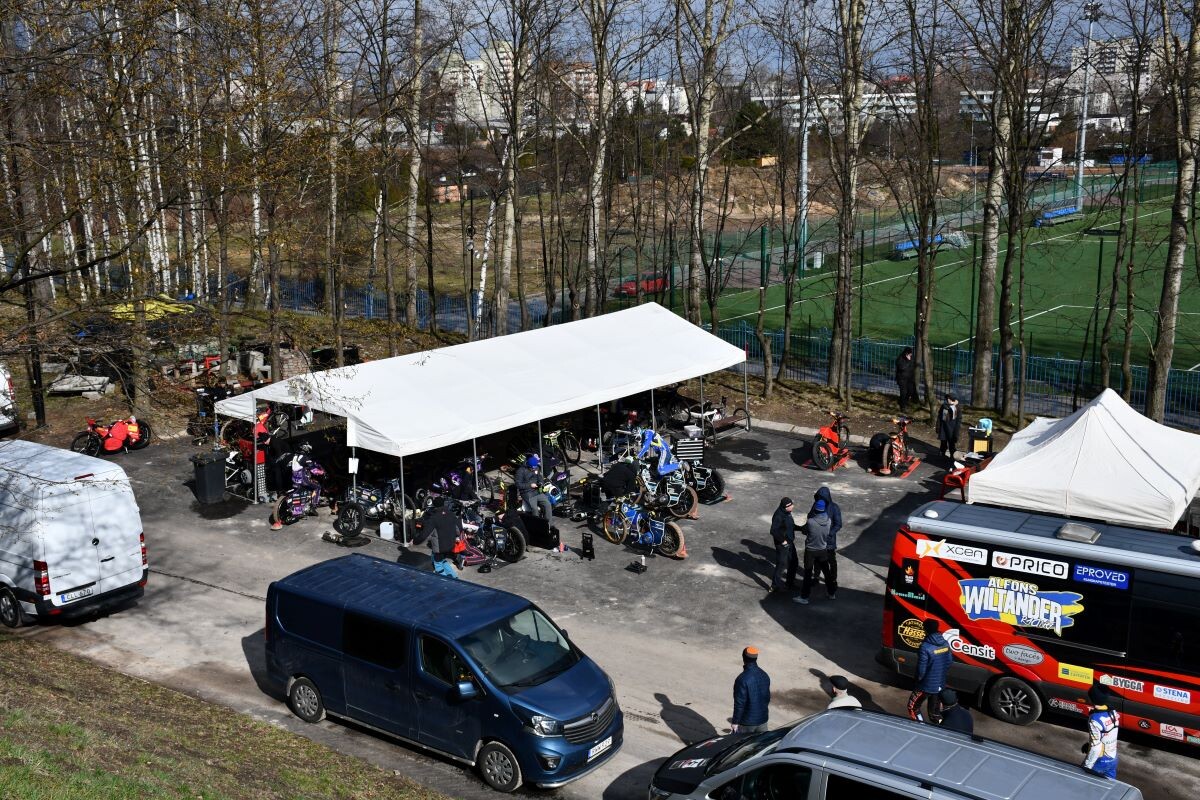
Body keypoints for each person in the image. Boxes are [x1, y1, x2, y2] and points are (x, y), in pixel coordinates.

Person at [907, 619, 953, 723]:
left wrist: (918, 680)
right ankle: (938, 731)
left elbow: (921, 670)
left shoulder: (925, 647)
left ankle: (920, 728)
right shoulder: (945, 643)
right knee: (935, 713)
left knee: (913, 707)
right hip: (940, 685)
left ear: (925, 629)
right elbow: (949, 662)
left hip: (925, 686)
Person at [795, 499, 836, 604]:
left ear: (816, 510)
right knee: (826, 572)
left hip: (811, 550)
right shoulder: (829, 521)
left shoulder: (811, 522)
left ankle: (804, 597)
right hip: (823, 549)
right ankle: (831, 593)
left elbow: (804, 531)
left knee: (808, 573)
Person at [412, 498, 461, 577]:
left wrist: (415, 541)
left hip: (440, 547)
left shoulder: (434, 518)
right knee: (442, 560)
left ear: (434, 505)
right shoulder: (451, 514)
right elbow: (458, 530)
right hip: (450, 545)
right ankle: (455, 577)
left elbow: (425, 534)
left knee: (438, 564)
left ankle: (445, 582)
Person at [1082, 684, 1120, 779]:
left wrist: (1087, 767)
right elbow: (1109, 734)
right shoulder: (1113, 712)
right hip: (1113, 759)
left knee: (1085, 787)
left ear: (1092, 699)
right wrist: (1089, 744)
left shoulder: (1094, 719)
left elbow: (1096, 747)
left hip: (1099, 762)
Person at [731, 647, 770, 734]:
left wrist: (735, 722)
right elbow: (767, 698)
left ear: (743, 658)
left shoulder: (742, 679)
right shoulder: (764, 675)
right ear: (756, 658)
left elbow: (739, 704)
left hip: (747, 723)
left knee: (743, 746)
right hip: (763, 719)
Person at [812, 486, 842, 589]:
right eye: (818, 497)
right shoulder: (816, 505)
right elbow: (809, 516)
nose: (820, 499)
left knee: (831, 561)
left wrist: (829, 533)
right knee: (817, 560)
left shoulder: (834, 507)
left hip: (829, 541)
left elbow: (838, 524)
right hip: (818, 539)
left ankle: (833, 579)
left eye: (821, 497)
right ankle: (816, 577)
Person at [769, 498, 797, 593]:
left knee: (793, 562)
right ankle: (774, 585)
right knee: (782, 564)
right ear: (785, 507)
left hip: (790, 542)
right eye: (790, 505)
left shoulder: (787, 513)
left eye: (792, 504)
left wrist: (801, 528)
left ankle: (789, 583)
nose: (792, 506)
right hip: (783, 545)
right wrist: (783, 541)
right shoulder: (778, 515)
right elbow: (773, 530)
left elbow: (790, 526)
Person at [514, 455, 553, 522]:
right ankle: (536, 524)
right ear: (529, 465)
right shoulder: (520, 471)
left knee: (548, 504)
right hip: (527, 492)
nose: (534, 468)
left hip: (537, 491)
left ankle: (549, 524)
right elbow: (518, 484)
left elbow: (539, 477)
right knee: (535, 509)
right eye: (533, 467)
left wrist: (541, 482)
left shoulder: (536, 468)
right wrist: (530, 485)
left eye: (535, 467)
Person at [937, 393, 961, 460]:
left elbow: (959, 419)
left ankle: (952, 458)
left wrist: (956, 431)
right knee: (943, 443)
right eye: (947, 398)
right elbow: (940, 416)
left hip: (952, 428)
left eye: (949, 398)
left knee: (951, 444)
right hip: (944, 427)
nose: (947, 400)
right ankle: (941, 456)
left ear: (951, 399)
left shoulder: (957, 407)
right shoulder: (944, 406)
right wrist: (938, 426)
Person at [895, 346, 917, 412]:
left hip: (910, 379)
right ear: (906, 353)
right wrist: (908, 361)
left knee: (910, 391)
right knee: (903, 392)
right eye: (909, 354)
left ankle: (902, 401)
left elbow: (913, 366)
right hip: (902, 379)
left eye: (911, 353)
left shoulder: (912, 358)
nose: (911, 355)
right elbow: (902, 367)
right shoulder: (900, 359)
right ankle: (903, 406)